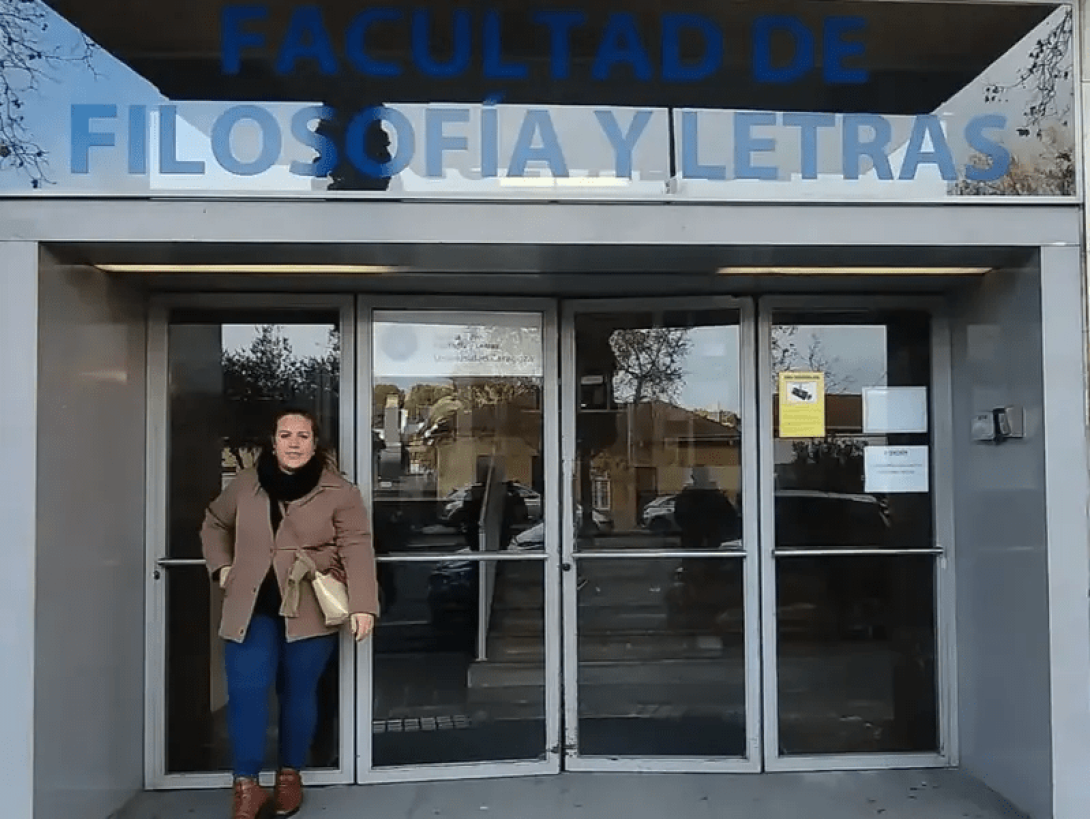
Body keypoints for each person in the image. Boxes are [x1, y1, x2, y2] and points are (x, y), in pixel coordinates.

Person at [202, 408, 378, 819]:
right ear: (274, 441)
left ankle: (289, 777)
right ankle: (247, 787)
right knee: (246, 692)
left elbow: (357, 546)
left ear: (315, 444)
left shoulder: (340, 491)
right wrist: (222, 566)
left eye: (303, 436)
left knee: (299, 694)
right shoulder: (246, 483)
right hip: (251, 608)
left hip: (309, 607)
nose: (294, 443)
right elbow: (214, 522)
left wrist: (364, 605)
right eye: (286, 435)